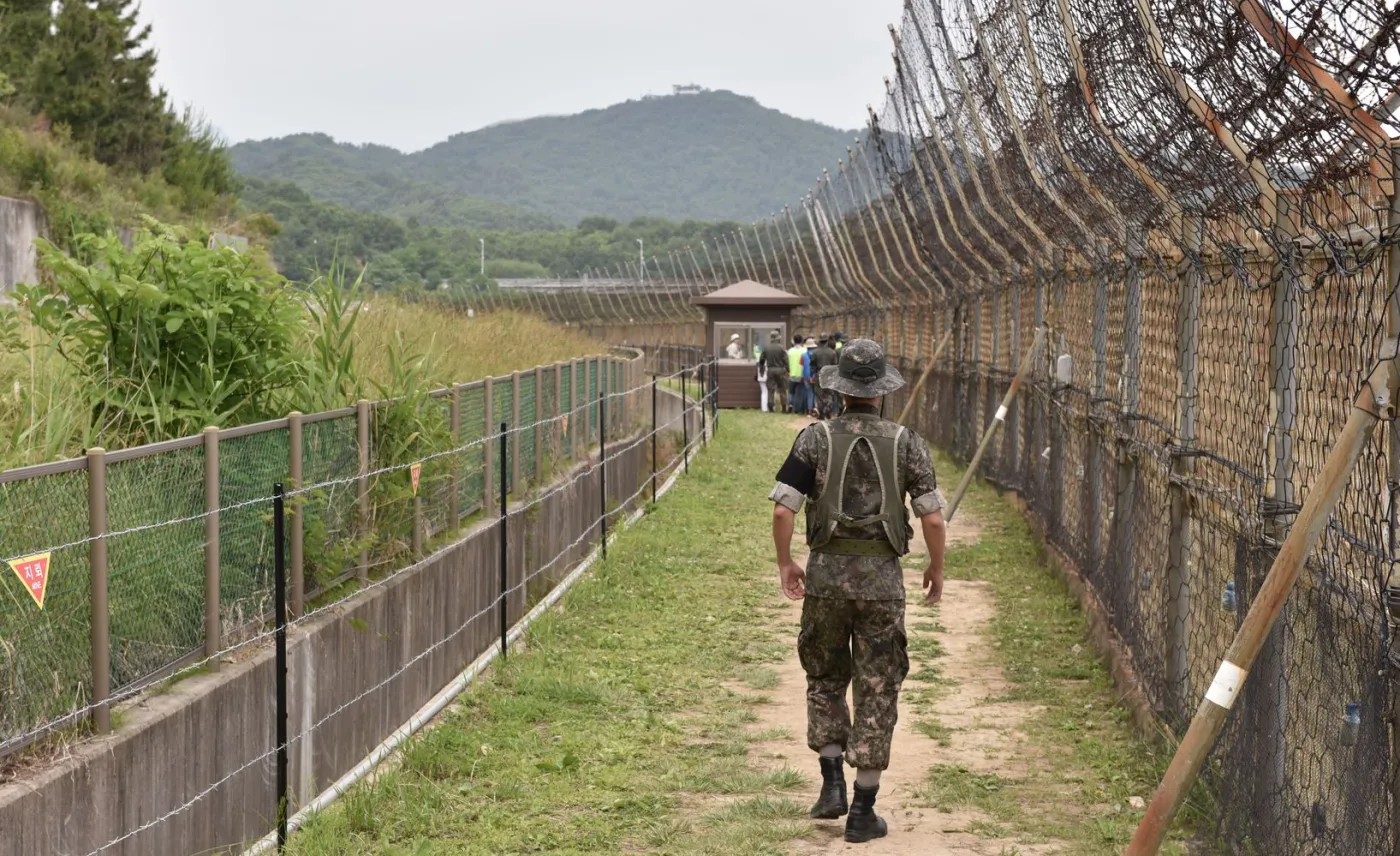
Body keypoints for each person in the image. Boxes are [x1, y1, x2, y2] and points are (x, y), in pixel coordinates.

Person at [768, 338, 947, 844]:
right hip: (882, 584)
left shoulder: (814, 438)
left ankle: (831, 785)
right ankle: (863, 811)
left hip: (825, 579)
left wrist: (786, 562)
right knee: (877, 685)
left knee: (825, 674)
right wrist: (936, 567)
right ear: (881, 391)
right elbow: (932, 518)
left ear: (839, 389)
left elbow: (783, 509)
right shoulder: (907, 442)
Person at [809, 337, 840, 418]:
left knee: (819, 394)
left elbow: (812, 365)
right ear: (826, 341)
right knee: (829, 393)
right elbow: (835, 365)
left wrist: (811, 375)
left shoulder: (815, 352)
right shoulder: (832, 352)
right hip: (829, 374)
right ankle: (828, 410)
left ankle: (821, 413)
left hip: (819, 373)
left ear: (819, 341)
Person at [762, 332, 791, 413]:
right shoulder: (781, 348)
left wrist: (761, 369)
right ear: (777, 338)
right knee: (782, 389)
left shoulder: (766, 348)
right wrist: (788, 370)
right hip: (781, 370)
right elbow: (786, 360)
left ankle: (771, 407)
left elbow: (762, 359)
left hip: (770, 370)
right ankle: (784, 408)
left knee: (771, 389)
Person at [788, 334, 808, 415]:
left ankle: (790, 405)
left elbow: (787, 362)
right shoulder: (804, 351)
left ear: (794, 341)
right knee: (800, 392)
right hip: (801, 375)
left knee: (791, 392)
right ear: (801, 341)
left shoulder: (790, 351)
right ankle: (798, 409)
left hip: (792, 374)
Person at [800, 337, 818, 417]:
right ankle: (816, 409)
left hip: (806, 377)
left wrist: (802, 376)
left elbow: (802, 366)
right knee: (816, 394)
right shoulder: (816, 354)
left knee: (809, 393)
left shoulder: (803, 355)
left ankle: (809, 411)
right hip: (815, 376)